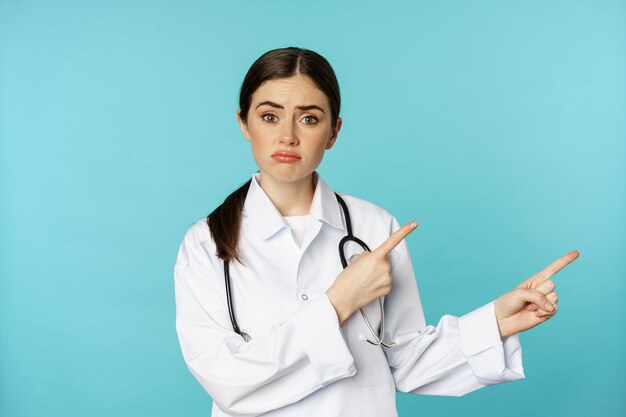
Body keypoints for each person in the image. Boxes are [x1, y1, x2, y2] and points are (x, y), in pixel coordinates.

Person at [173, 46, 579, 417]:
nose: (288, 135)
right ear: (244, 123)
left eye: (309, 118)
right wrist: (338, 302)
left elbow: (406, 360)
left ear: (333, 132)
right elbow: (226, 381)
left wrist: (496, 322)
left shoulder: (373, 227)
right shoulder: (205, 243)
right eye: (269, 116)